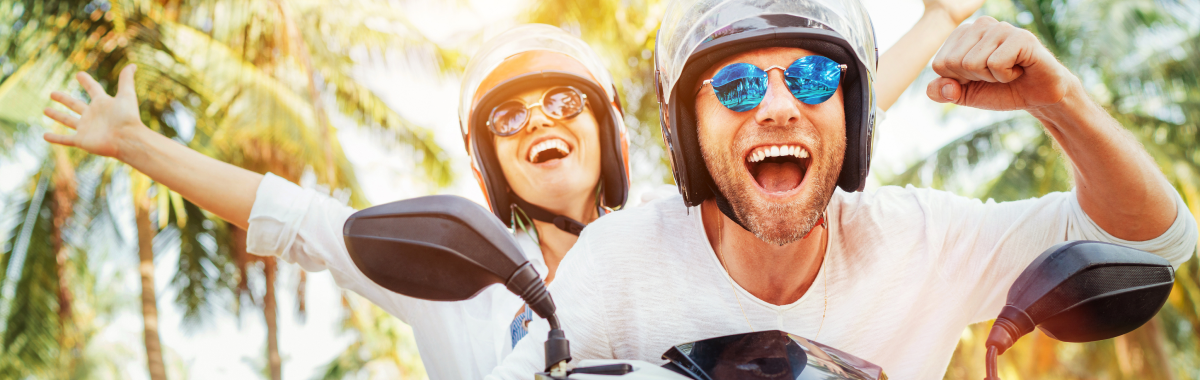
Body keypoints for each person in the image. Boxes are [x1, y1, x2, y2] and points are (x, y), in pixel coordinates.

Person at [42, 2, 987, 378]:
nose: (540, 123)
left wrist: (943, 15)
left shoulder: (682, 232)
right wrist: (134, 145)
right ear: (486, 161)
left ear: (615, 131)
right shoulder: (451, 268)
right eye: (510, 116)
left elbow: (810, 128)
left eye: (564, 101)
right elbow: (293, 217)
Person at [484, 0, 1198, 379]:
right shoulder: (618, 262)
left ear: (852, 117)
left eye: (814, 77)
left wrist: (1059, 98)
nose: (776, 107)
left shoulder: (920, 242)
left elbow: (1157, 241)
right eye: (733, 86)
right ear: (687, 136)